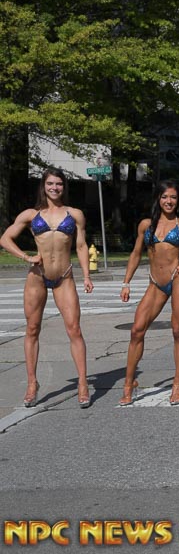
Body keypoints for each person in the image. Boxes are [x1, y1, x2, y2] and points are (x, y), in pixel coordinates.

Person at [0, 168, 94, 407]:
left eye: (59, 184)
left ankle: (83, 383)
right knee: (32, 329)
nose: (55, 188)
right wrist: (26, 257)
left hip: (64, 277)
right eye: (50, 183)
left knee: (74, 329)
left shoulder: (75, 214)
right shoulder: (31, 215)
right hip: (37, 277)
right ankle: (32, 383)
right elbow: (5, 239)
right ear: (43, 186)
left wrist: (86, 276)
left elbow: (81, 246)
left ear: (64, 186)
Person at [118, 181, 179, 406]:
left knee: (177, 330)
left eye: (173, 197)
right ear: (158, 199)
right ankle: (129, 383)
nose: (168, 201)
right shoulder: (146, 225)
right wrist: (126, 283)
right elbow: (136, 253)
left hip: (178, 280)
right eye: (164, 197)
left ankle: (177, 383)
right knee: (136, 330)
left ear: (178, 201)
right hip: (155, 283)